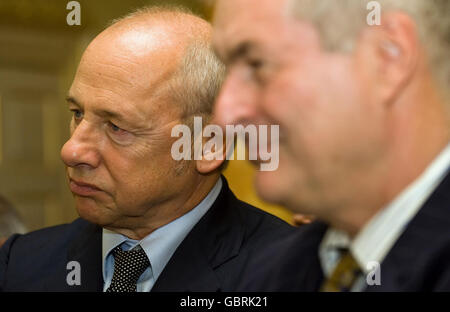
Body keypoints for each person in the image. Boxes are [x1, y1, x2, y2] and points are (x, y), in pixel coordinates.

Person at [0, 6, 297, 292]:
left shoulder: (291, 274)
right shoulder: (19, 263)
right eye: (77, 113)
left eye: (116, 127)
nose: (71, 150)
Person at [212, 0, 450, 291]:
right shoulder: (273, 274)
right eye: (227, 72)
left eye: (256, 65)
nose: (225, 115)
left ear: (389, 58)